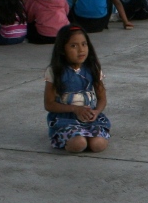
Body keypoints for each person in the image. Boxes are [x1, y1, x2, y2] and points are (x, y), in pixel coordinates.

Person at [44, 25, 110, 153]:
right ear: (62, 50)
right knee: (78, 144)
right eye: (73, 46)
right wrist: (75, 109)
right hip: (66, 119)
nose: (81, 50)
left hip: (90, 117)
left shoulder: (93, 69)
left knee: (98, 145)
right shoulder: (55, 71)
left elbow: (102, 98)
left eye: (84, 44)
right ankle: (67, 138)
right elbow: (49, 104)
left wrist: (96, 112)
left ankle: (86, 135)